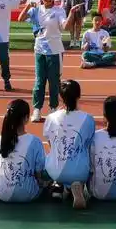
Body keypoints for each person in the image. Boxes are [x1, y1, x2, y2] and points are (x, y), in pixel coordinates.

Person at [18, 0, 80, 123]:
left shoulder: (59, 11)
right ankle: (37, 109)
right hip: (39, 50)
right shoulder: (36, 10)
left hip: (55, 51)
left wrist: (71, 13)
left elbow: (65, 27)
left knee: (54, 82)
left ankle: (53, 109)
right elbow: (20, 19)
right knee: (39, 81)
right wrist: (28, 7)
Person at [43, 80, 95, 209]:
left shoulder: (51, 118)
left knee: (51, 155)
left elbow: (51, 144)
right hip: (80, 172)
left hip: (54, 171)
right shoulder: (87, 119)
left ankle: (60, 186)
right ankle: (76, 186)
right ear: (79, 96)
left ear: (61, 97)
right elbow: (88, 145)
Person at [0, 99, 46, 203]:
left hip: (2, 194)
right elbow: (39, 173)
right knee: (49, 166)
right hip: (28, 194)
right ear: (26, 118)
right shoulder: (35, 141)